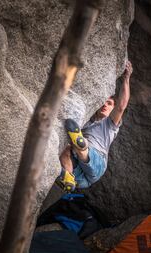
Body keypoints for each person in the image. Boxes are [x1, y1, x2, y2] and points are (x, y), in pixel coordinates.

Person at [56, 61, 133, 191]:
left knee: (76, 144)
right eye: (103, 102)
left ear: (112, 109)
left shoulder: (110, 124)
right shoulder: (86, 122)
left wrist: (126, 78)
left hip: (97, 163)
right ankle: (68, 178)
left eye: (109, 103)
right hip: (80, 177)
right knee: (65, 151)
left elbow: (121, 106)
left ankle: (82, 146)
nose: (105, 105)